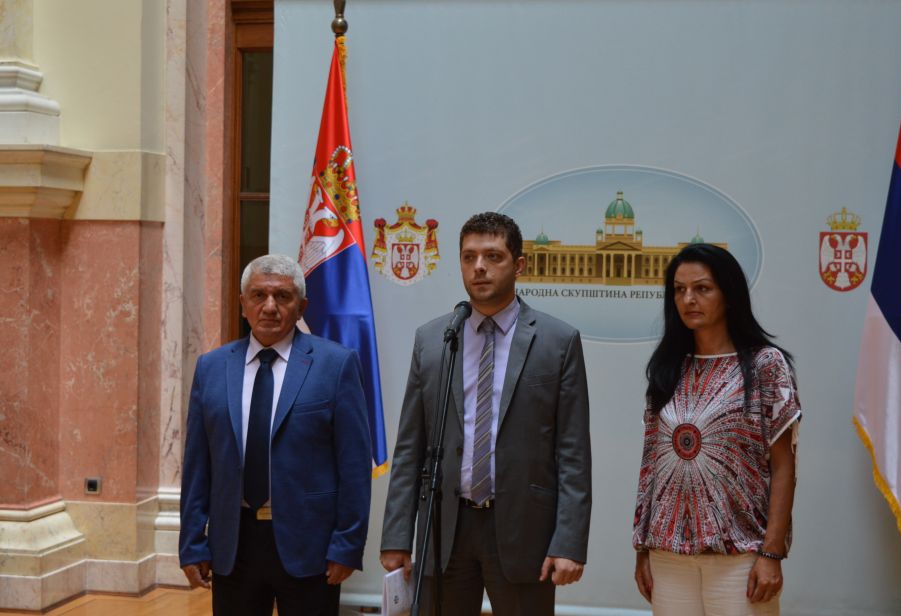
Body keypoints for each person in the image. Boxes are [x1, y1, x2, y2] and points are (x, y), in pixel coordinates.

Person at [380, 212, 592, 615]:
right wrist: (396, 536)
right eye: (469, 257)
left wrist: (569, 541)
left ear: (519, 264)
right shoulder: (434, 339)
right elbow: (410, 447)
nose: (479, 267)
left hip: (523, 530)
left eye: (493, 256)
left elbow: (573, 452)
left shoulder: (558, 341)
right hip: (445, 528)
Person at [179, 254, 372, 616]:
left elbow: (354, 466)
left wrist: (347, 545)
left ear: (301, 307)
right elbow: (197, 465)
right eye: (259, 295)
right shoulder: (211, 368)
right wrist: (191, 543)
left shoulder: (336, 365)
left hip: (309, 546)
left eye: (282, 296)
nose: (269, 307)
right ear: (243, 304)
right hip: (233, 544)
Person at [632, 244, 801, 616]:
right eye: (679, 290)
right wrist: (642, 546)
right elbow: (650, 465)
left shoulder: (765, 365)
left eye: (702, 288)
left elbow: (784, 467)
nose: (688, 299)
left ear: (729, 294)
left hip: (741, 554)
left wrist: (772, 552)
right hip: (668, 555)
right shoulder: (667, 367)